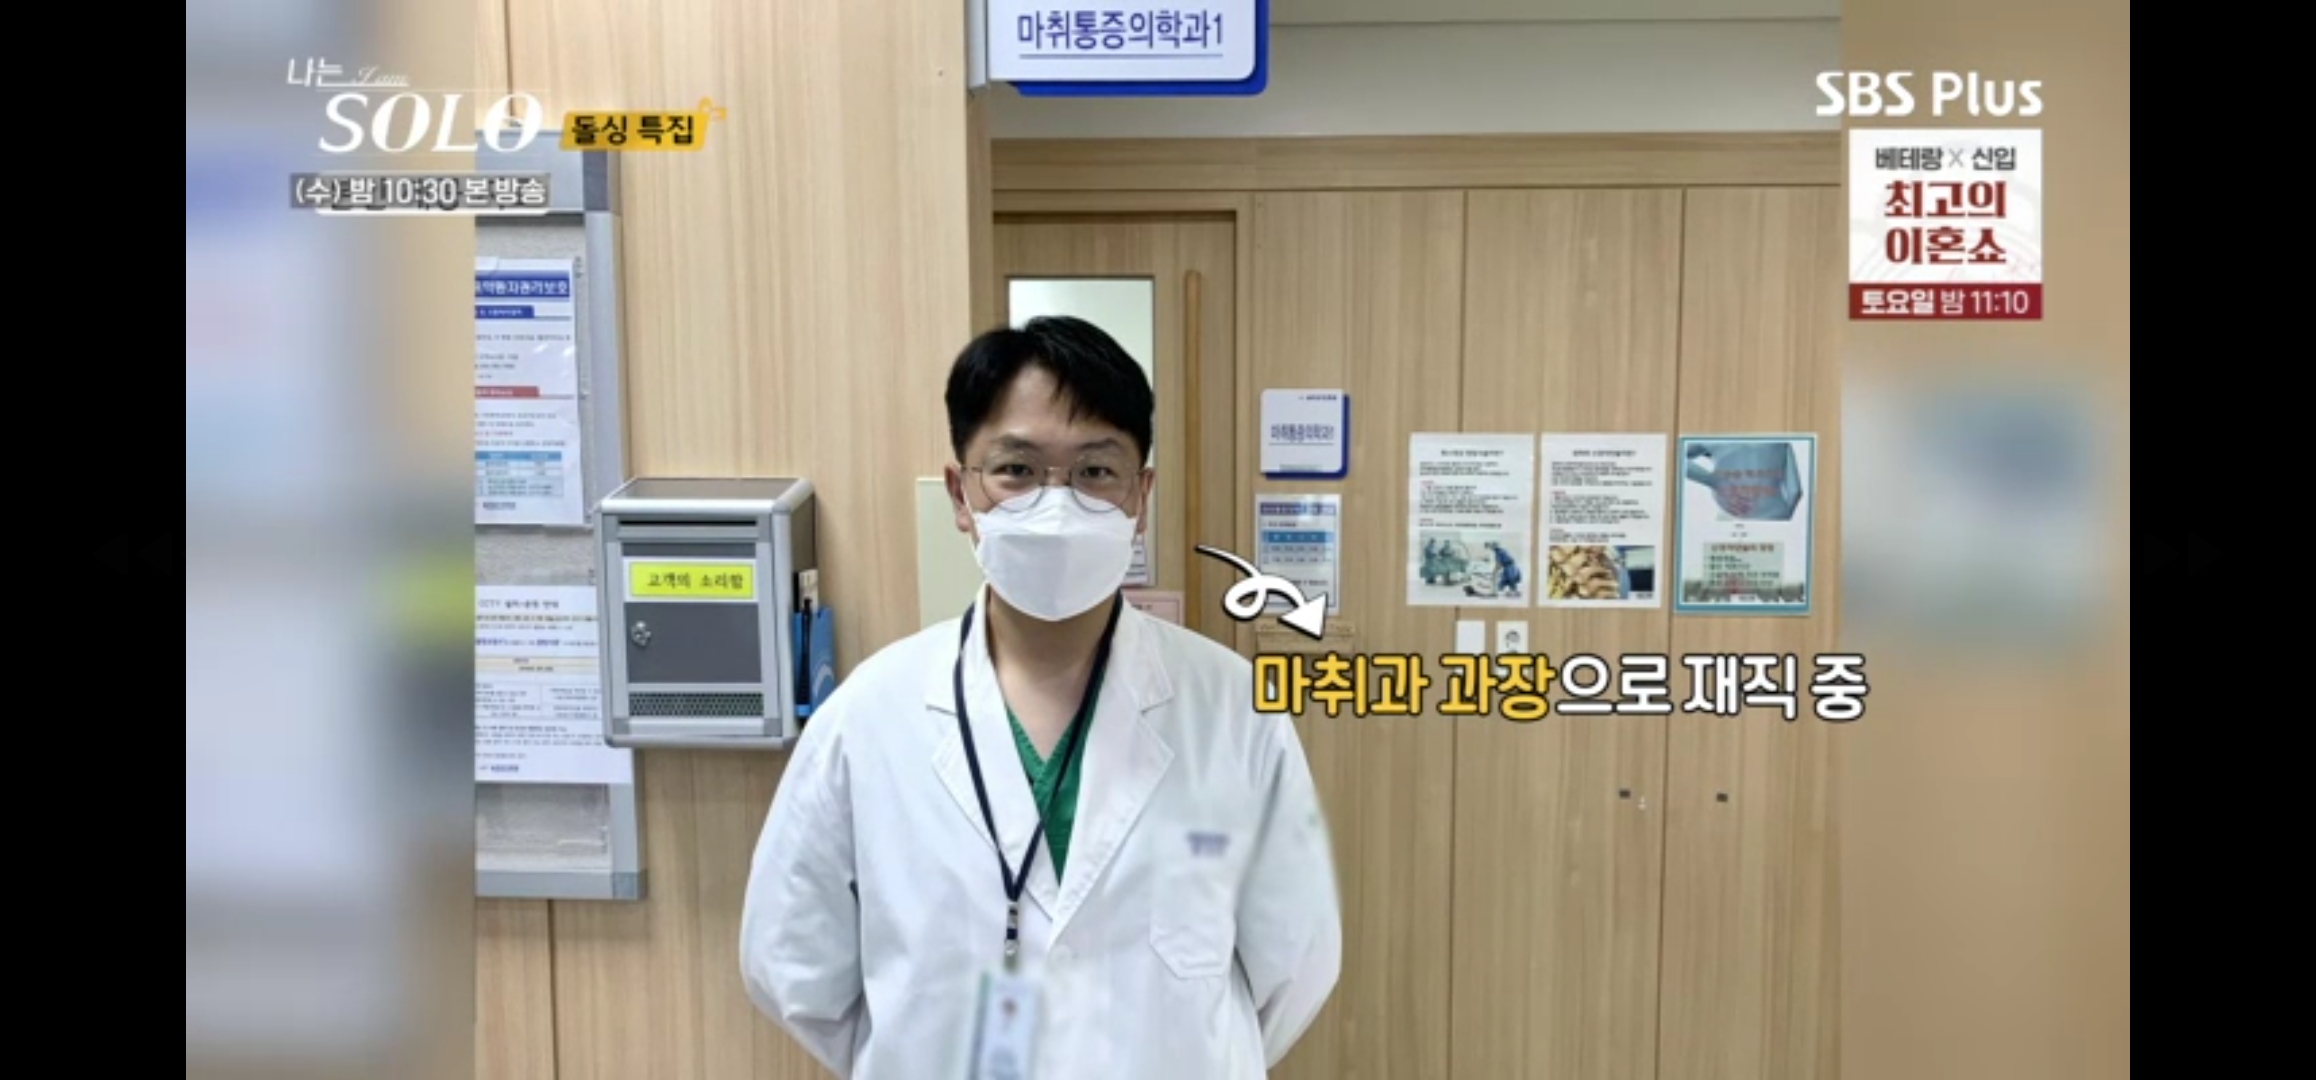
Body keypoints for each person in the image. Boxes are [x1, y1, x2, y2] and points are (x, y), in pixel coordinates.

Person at [740, 316, 1342, 1079]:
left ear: (1141, 496)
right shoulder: (868, 718)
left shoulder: (1233, 710)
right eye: (1017, 470)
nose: (1056, 506)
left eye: (1096, 471)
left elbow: (1295, 963)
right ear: (961, 494)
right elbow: (793, 968)